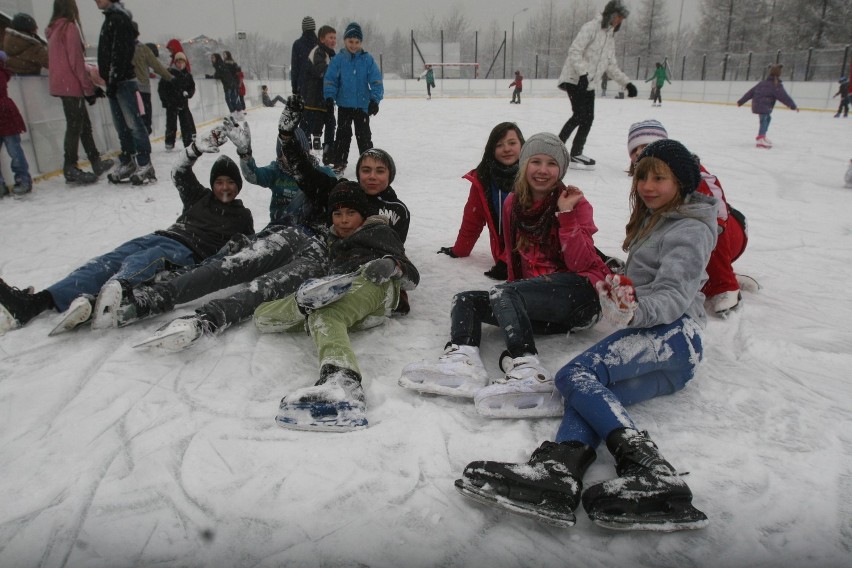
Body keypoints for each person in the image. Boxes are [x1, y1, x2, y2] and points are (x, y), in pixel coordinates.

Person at [455, 139, 717, 532]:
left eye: (659, 178)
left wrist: (635, 311)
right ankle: (560, 471)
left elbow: (675, 295)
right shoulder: (660, 217)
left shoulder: (689, 229)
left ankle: (652, 469)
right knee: (587, 397)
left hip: (673, 334)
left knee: (574, 376)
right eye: (642, 177)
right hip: (671, 354)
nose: (647, 186)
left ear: (682, 181)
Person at [400, 133, 607, 413]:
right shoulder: (513, 203)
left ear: (561, 170)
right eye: (535, 161)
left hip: (580, 298)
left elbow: (583, 264)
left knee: (505, 292)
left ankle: (528, 369)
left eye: (551, 163)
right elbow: (514, 260)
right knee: (467, 299)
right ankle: (463, 361)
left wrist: (566, 215)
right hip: (538, 301)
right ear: (524, 165)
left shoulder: (575, 203)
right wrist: (510, 298)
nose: (543, 170)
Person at [0, 127, 254, 336]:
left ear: (238, 186)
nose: (224, 187)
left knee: (147, 259)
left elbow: (246, 247)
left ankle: (111, 292)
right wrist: (194, 150)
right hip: (162, 235)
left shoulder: (242, 216)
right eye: (220, 181)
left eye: (231, 182)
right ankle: (37, 303)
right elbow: (179, 172)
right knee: (107, 261)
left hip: (188, 250)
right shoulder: (199, 196)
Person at [254, 181, 420, 431]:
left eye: (351, 213)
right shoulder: (331, 242)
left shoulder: (379, 232)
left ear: (363, 215)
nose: (343, 220)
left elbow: (413, 276)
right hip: (340, 294)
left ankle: (344, 383)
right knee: (263, 315)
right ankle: (303, 303)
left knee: (326, 312)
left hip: (373, 285)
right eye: (337, 213)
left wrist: (390, 264)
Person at [627, 119, 748, 315]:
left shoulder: (693, 175)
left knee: (702, 236)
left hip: (730, 229)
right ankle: (703, 276)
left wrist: (711, 233)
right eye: (635, 150)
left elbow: (717, 211)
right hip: (689, 233)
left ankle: (725, 284)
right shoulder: (649, 183)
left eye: (646, 146)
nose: (640, 152)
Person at [437, 122, 525, 281]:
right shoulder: (483, 179)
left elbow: (531, 228)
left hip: (536, 255)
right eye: (499, 145)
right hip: (504, 256)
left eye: (512, 143)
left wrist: (509, 262)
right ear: (491, 150)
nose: (506, 149)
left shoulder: (533, 177)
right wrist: (459, 251)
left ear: (522, 145)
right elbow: (472, 220)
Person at [556, 0, 637, 170]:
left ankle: (576, 152)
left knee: (588, 117)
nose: (620, 21)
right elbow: (575, 51)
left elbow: (611, 66)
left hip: (589, 84)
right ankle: (556, 149)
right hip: (574, 78)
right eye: (619, 17)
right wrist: (583, 73)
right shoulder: (591, 28)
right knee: (579, 115)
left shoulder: (609, 37)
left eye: (622, 18)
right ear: (611, 14)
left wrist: (627, 83)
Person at [46, 0, 114, 185]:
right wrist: (88, 89)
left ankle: (95, 161)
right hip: (71, 85)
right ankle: (70, 167)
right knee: (75, 125)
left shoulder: (53, 30)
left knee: (83, 124)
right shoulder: (68, 28)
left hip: (62, 84)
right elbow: (75, 62)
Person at [94, 0, 154, 185]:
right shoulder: (111, 19)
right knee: (121, 126)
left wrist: (114, 77)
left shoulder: (119, 20)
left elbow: (121, 53)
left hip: (124, 82)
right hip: (114, 82)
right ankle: (128, 161)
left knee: (134, 124)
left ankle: (145, 163)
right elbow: (108, 54)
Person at [323, 22, 383, 175]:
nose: (354, 45)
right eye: (351, 42)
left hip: (362, 106)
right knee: (343, 136)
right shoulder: (338, 60)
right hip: (344, 106)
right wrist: (329, 97)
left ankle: (369, 164)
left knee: (364, 137)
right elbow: (330, 80)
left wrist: (375, 100)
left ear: (361, 43)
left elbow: (376, 81)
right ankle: (339, 163)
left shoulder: (367, 59)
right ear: (345, 41)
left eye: (357, 42)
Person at [737, 64, 798, 149]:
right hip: (764, 105)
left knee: (768, 118)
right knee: (764, 120)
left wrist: (741, 101)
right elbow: (784, 97)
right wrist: (793, 106)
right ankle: (760, 138)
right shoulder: (776, 85)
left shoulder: (763, 83)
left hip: (758, 104)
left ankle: (763, 136)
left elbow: (750, 93)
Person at [0, 50, 32, 197]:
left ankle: (23, 179)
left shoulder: (1, 72)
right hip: (6, 112)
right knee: (14, 150)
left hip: (5, 114)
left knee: (14, 150)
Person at [130, 23, 172, 135]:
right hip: (139, 89)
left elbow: (156, 66)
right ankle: (142, 143)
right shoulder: (142, 49)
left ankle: (139, 144)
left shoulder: (128, 49)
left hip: (131, 88)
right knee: (143, 119)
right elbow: (156, 66)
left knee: (136, 119)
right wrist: (170, 77)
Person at [304, 25, 337, 163]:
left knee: (330, 126)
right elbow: (322, 72)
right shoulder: (318, 52)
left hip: (325, 100)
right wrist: (337, 68)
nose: (334, 40)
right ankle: (313, 155)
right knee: (315, 130)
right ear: (322, 39)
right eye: (331, 37)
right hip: (314, 101)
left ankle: (327, 154)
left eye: (335, 37)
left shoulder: (330, 53)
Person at [158, 51, 196, 150]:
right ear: (175, 62)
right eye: (178, 62)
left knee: (186, 124)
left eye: (182, 62)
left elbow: (192, 87)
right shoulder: (169, 73)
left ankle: (188, 143)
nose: (180, 64)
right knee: (171, 124)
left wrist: (189, 93)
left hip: (183, 104)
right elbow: (161, 88)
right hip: (171, 104)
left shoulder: (187, 75)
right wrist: (165, 102)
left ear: (185, 63)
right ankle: (169, 143)